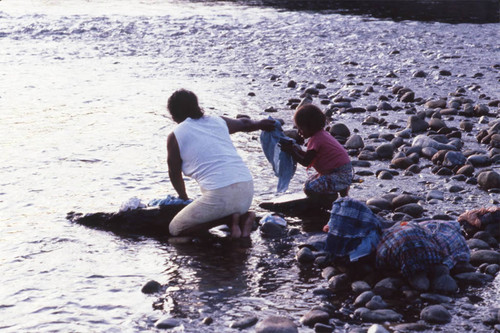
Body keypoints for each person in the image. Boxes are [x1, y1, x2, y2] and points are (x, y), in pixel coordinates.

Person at [166, 89, 275, 238]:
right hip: (247, 189)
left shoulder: (175, 135)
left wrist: (183, 197)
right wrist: (260, 123)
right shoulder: (217, 120)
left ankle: (230, 219)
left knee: (175, 228)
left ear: (174, 113)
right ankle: (241, 218)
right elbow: (244, 123)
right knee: (218, 200)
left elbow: (174, 172)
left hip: (221, 195)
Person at [280, 104, 353, 206]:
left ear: (311, 127)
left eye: (301, 128)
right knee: (308, 183)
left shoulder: (316, 140)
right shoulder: (321, 135)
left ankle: (327, 201)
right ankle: (338, 191)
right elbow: (309, 156)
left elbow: (306, 162)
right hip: (340, 171)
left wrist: (292, 152)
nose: (299, 132)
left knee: (310, 188)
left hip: (340, 174)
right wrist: (296, 150)